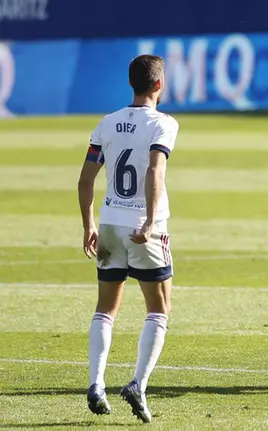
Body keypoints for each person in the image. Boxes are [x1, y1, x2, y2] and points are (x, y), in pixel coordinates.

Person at [77, 54, 179, 423]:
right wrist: (151, 222)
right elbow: (155, 171)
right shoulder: (163, 124)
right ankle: (138, 384)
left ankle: (96, 384)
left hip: (109, 225)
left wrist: (89, 226)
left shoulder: (107, 123)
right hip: (143, 230)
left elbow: (85, 179)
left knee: (105, 309)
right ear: (158, 85)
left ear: (131, 83)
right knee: (159, 309)